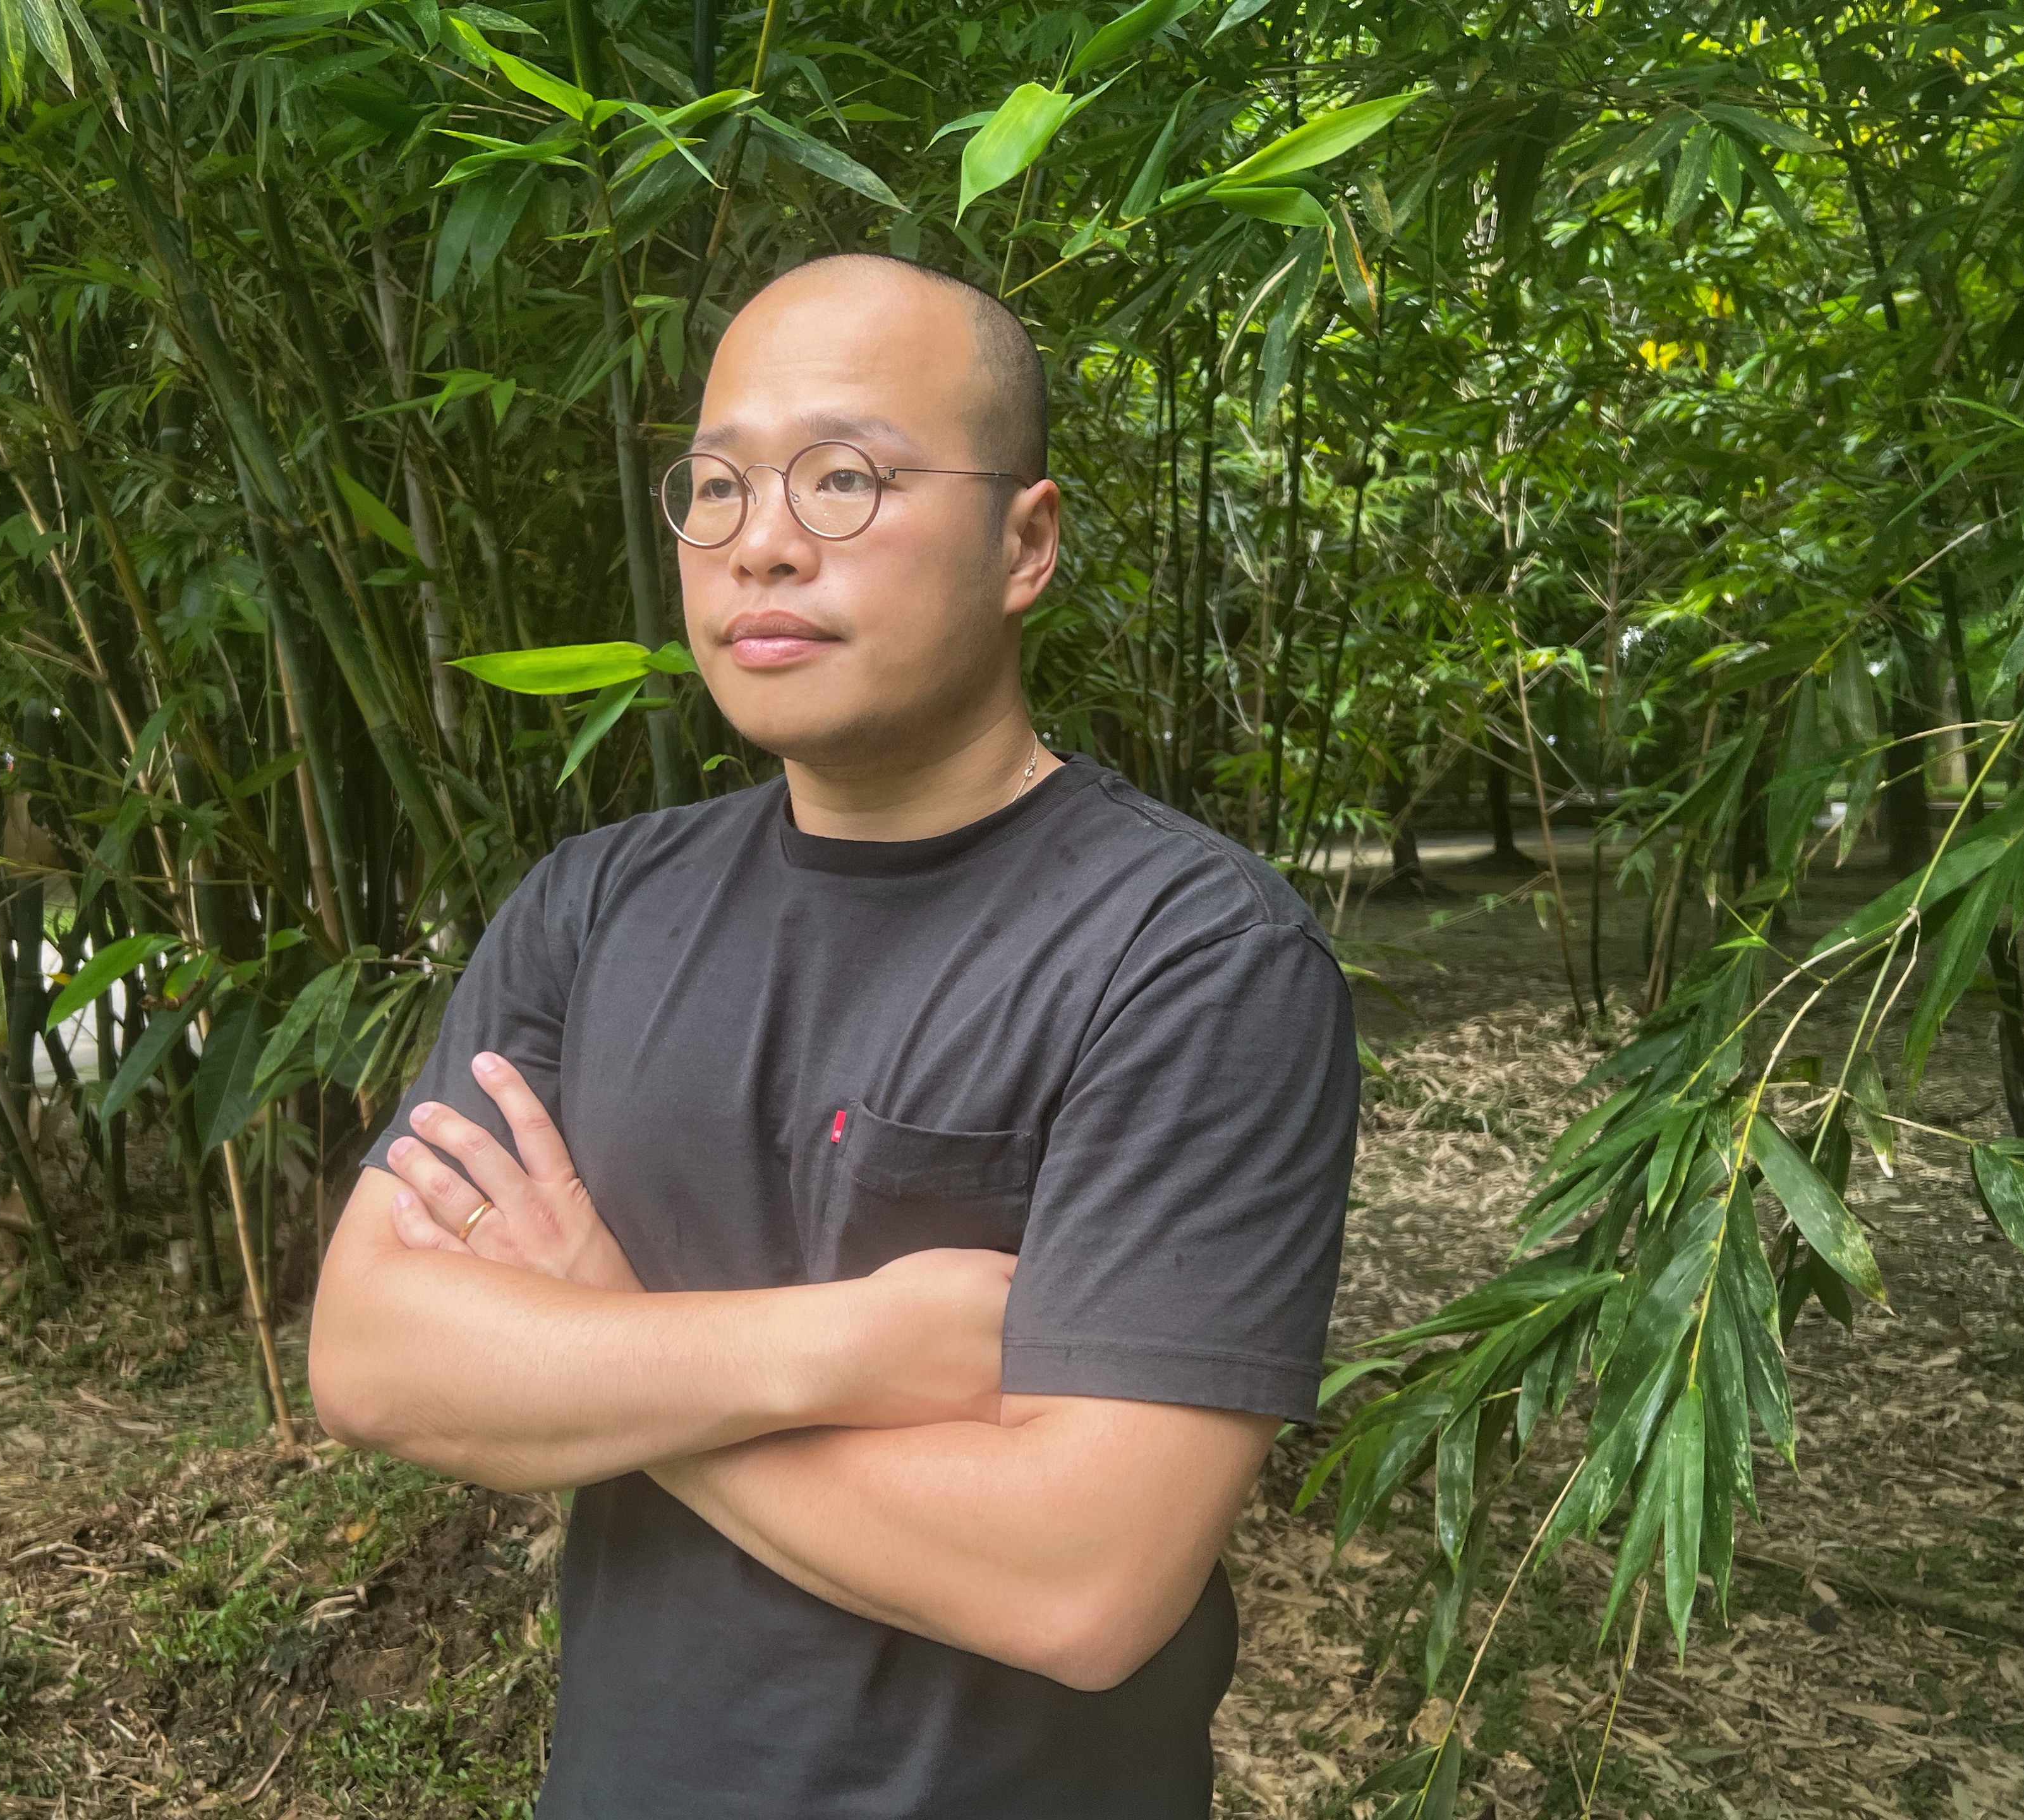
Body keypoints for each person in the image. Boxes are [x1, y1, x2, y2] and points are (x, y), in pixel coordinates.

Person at [307, 252, 1358, 1819]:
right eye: (716, 489)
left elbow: (1083, 1582)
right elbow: (377, 1357)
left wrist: (597, 1340)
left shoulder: (1191, 954)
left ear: (1028, 542)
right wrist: (851, 1344)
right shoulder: (596, 908)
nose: (766, 548)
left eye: (847, 479)